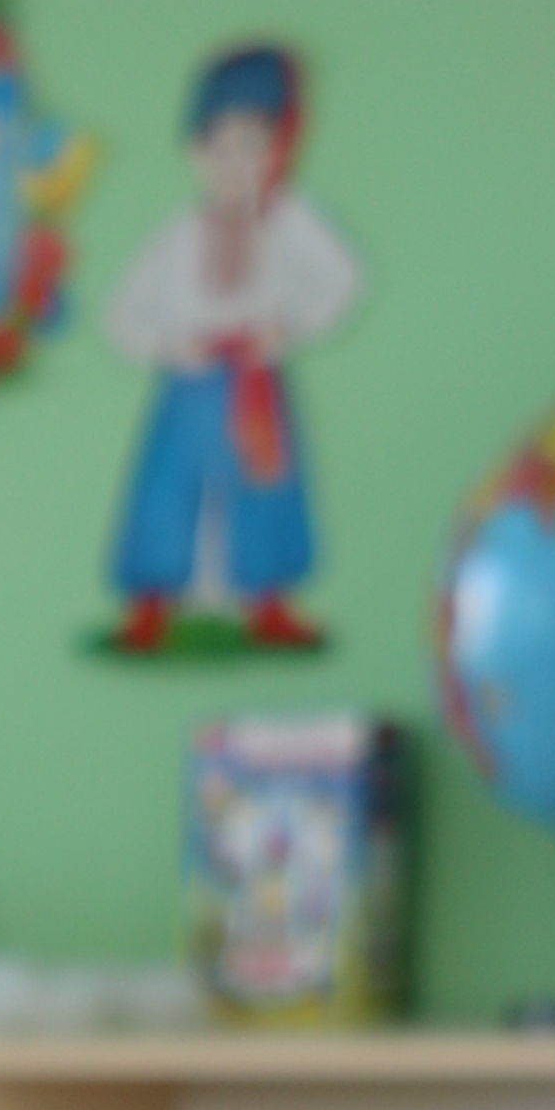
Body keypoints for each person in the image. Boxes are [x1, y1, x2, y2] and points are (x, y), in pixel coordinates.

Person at [99, 39, 360, 653]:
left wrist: (286, 329)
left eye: (252, 145)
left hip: (255, 382)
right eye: (221, 146)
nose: (236, 162)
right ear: (196, 151)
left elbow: (343, 281)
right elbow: (121, 315)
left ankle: (267, 603)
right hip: (191, 384)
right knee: (169, 488)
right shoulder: (178, 235)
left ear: (276, 151)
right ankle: (151, 603)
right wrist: (171, 346)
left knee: (264, 489)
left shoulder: (290, 220)